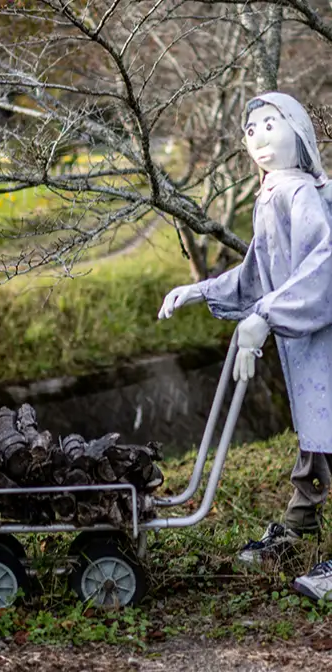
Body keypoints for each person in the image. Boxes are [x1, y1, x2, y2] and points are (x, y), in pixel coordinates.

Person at [157, 92, 332, 597]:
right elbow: (257, 275)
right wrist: (199, 289)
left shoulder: (300, 194)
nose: (259, 137)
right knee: (315, 433)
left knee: (327, 429)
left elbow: (321, 270)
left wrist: (266, 318)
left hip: (321, 337)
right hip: (306, 344)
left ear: (298, 132)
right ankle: (300, 523)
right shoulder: (272, 195)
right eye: (251, 129)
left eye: (271, 125)